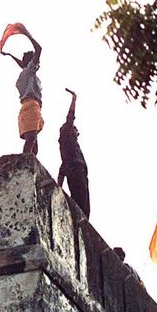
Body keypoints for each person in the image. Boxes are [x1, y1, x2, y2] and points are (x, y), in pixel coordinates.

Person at [0, 25, 43, 154]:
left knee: (33, 142)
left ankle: (30, 163)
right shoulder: (29, 71)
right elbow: (39, 49)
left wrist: (10, 55)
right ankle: (24, 163)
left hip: (28, 107)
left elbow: (22, 64)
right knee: (31, 139)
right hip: (31, 106)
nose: (38, 62)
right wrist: (27, 34)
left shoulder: (25, 74)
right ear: (31, 62)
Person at [57, 89, 90, 218]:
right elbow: (70, 117)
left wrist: (58, 186)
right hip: (76, 172)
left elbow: (62, 168)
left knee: (85, 207)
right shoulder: (67, 138)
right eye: (76, 129)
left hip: (79, 172)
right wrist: (74, 100)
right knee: (81, 203)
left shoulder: (70, 147)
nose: (78, 132)